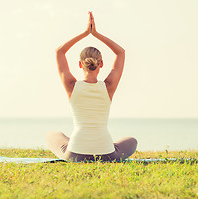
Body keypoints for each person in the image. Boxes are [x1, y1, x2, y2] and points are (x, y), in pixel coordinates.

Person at [46, 11, 137, 162]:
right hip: (107, 154)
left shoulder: (71, 86)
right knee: (131, 141)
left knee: (52, 135)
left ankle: (76, 143)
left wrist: (85, 33)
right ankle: (104, 144)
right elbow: (120, 52)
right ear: (101, 63)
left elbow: (59, 52)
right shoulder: (109, 86)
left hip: (75, 154)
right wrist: (95, 34)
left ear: (80, 64)